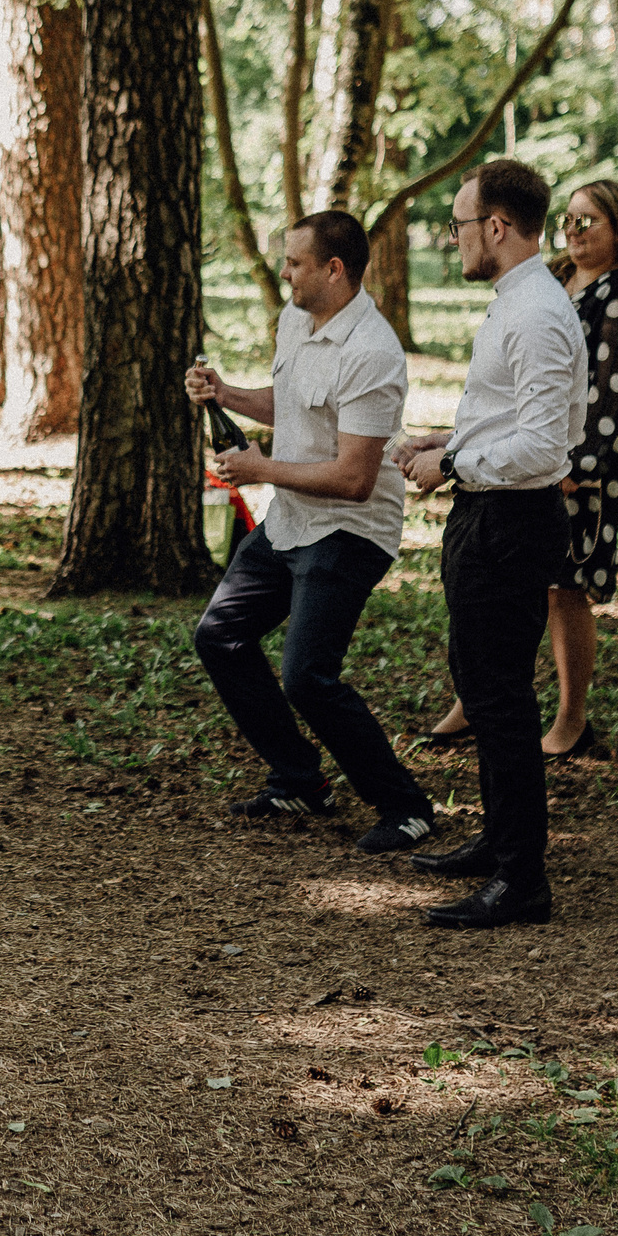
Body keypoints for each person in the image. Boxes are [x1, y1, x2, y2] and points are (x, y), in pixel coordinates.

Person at [188, 212, 438, 853]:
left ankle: (406, 807)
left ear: (334, 269)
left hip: (350, 532)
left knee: (308, 678)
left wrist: (258, 468)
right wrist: (226, 394)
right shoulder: (295, 320)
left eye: (296, 263)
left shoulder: (373, 353)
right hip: (292, 520)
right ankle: (299, 779)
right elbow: (290, 400)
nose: (285, 273)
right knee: (221, 636)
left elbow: (356, 478)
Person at [392, 159, 586, 929]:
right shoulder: (519, 302)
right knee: (480, 683)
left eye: (461, 225)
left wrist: (453, 462)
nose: (456, 239)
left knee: (501, 700)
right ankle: (500, 842)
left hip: (512, 522)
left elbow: (546, 446)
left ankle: (520, 880)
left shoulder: (537, 312)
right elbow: (517, 418)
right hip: (487, 516)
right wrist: (451, 437)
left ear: (498, 227)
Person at [423, 179, 618, 757]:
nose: (575, 232)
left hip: (580, 458)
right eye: (571, 220)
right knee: (522, 597)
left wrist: (572, 467)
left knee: (565, 587)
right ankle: (476, 698)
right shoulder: (548, 280)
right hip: (531, 455)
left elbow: (609, 390)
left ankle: (569, 716)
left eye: (591, 222)